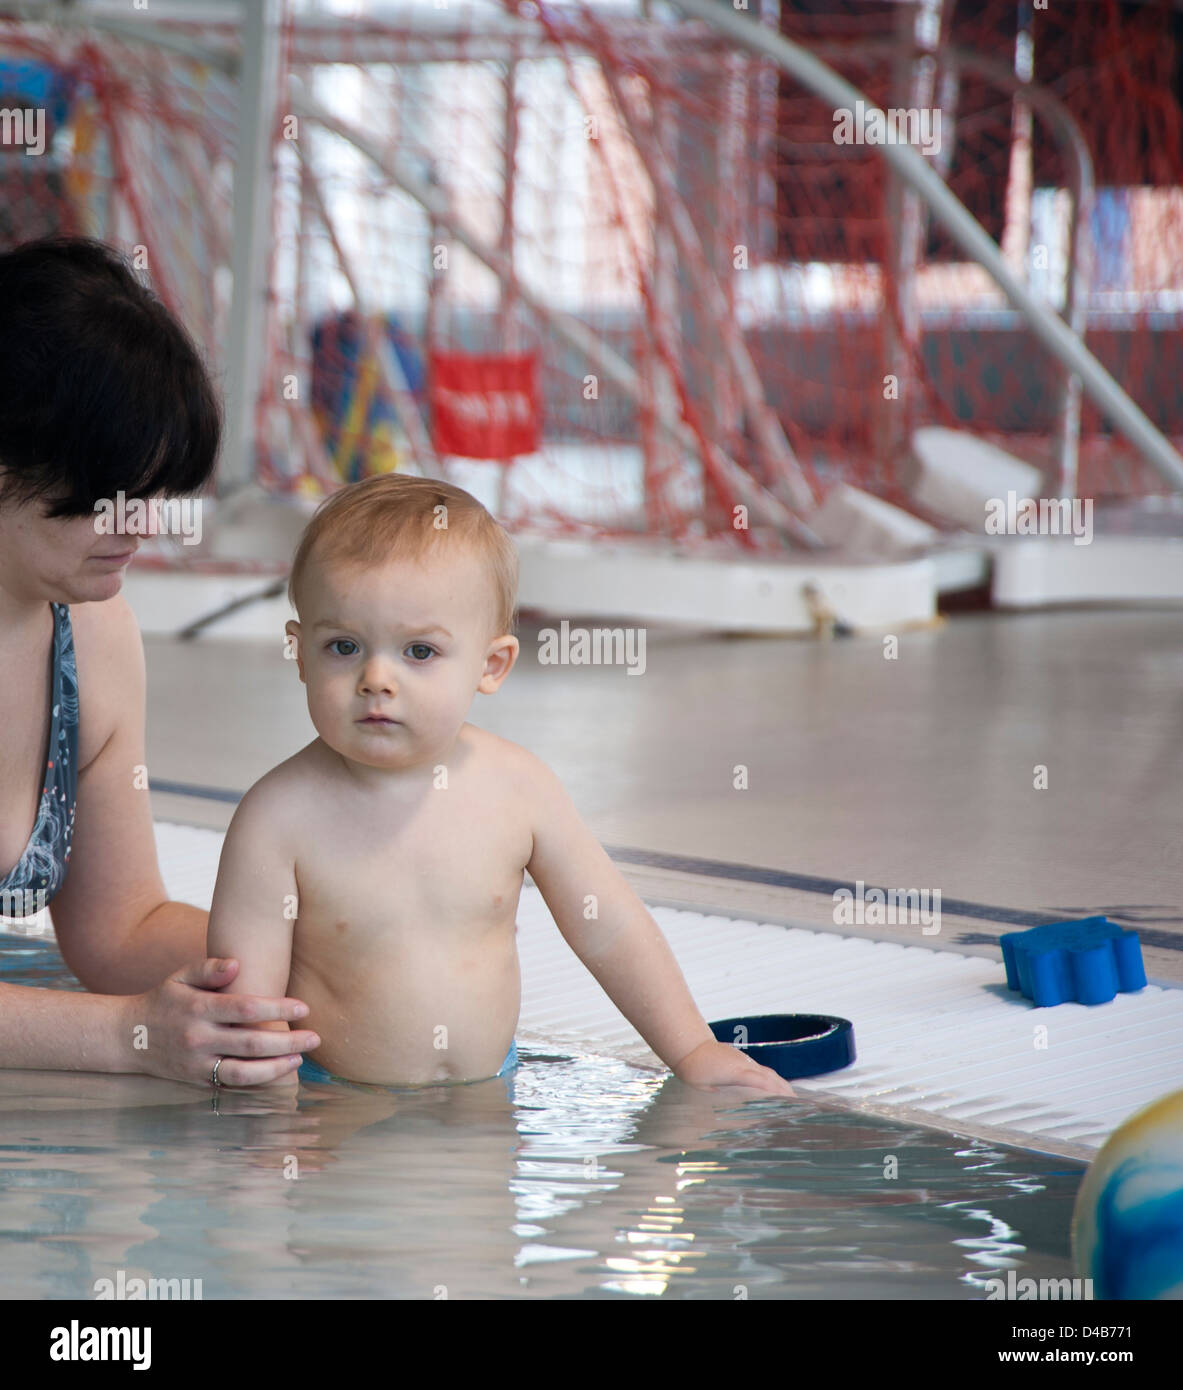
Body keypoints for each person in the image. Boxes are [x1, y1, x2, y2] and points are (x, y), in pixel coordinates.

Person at [206, 474, 794, 1096]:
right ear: (299, 654)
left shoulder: (518, 789)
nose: (377, 678)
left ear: (491, 666)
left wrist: (695, 1049)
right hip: (338, 1110)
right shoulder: (278, 819)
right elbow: (250, 1004)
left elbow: (608, 926)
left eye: (420, 652)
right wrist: (269, 1128)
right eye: (344, 646)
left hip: (492, 1100)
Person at [0, 236, 320, 1084]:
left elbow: (121, 931)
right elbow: (124, 1018)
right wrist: (128, 1035)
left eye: (153, 492)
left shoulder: (95, 642)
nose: (143, 525)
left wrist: (315, 959)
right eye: (109, 494)